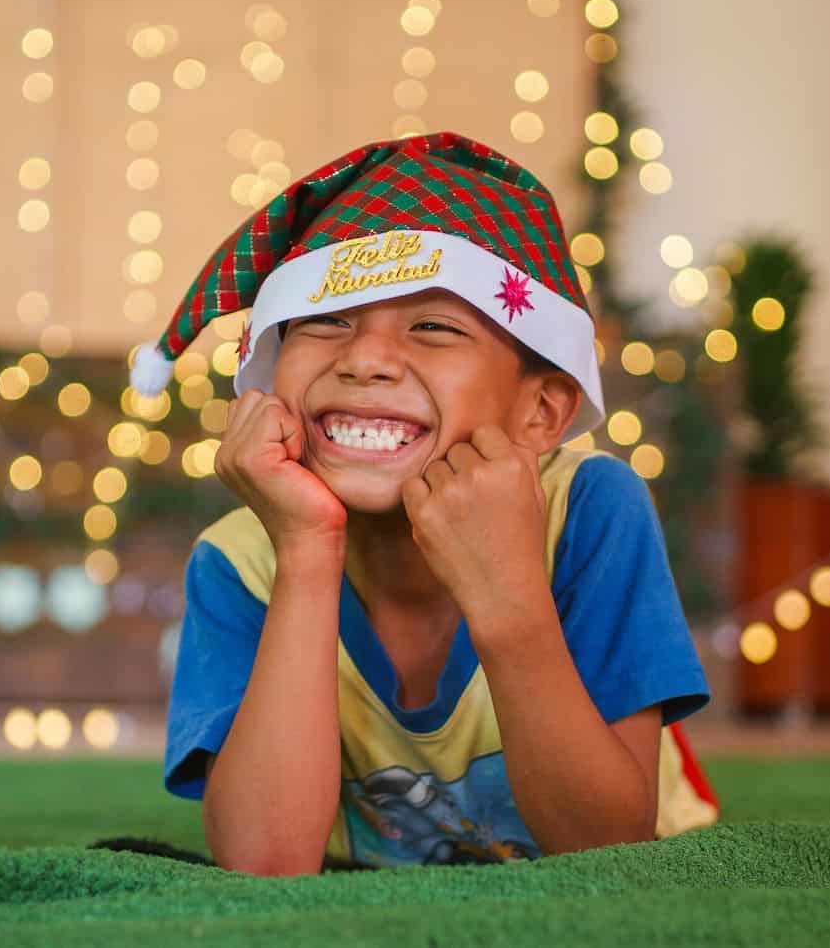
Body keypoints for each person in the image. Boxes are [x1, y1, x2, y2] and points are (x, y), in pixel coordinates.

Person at [127, 133, 719, 876]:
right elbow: (265, 863)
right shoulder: (238, 560)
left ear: (541, 413)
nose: (365, 357)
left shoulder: (590, 512)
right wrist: (307, 550)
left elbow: (608, 852)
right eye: (326, 318)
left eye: (433, 325)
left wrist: (507, 598)